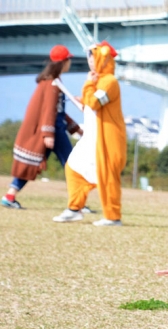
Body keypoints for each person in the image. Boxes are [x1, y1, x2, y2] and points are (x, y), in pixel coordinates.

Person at [52, 41, 126, 226]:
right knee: (73, 167)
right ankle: (74, 208)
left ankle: (112, 216)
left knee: (107, 177)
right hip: (92, 137)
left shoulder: (110, 82)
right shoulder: (99, 80)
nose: (90, 62)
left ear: (103, 59)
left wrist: (87, 85)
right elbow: (90, 103)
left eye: (93, 59)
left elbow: (94, 102)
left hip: (106, 139)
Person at [4, 45, 82, 209]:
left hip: (54, 130)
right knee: (72, 164)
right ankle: (78, 202)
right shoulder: (52, 83)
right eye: (69, 60)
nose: (70, 63)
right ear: (63, 62)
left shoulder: (50, 81)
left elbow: (57, 111)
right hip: (54, 131)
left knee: (32, 165)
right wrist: (48, 134)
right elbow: (49, 110)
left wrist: (75, 128)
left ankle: (10, 196)